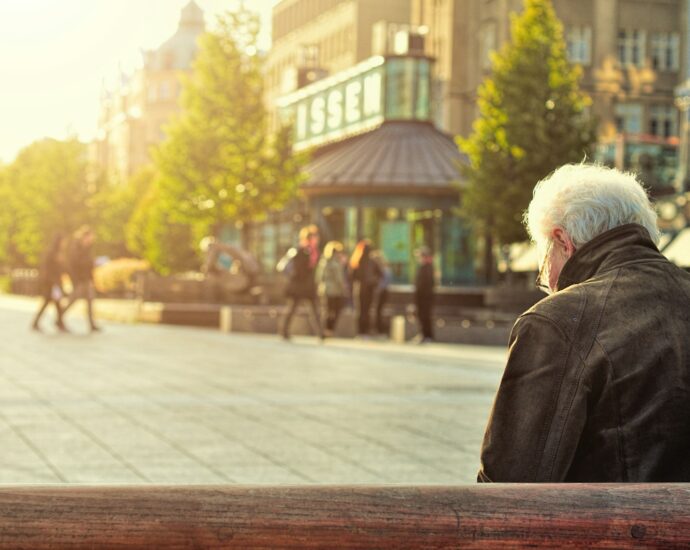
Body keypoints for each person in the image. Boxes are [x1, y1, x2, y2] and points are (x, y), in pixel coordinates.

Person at [478, 163, 690, 483]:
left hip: (613, 530)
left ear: (563, 242)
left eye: (543, 262)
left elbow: (511, 483)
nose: (546, 281)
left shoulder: (556, 322)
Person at [280, 225, 323, 340]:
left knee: (314, 309)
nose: (317, 240)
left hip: (308, 286)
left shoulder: (314, 252)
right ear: (309, 238)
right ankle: (284, 331)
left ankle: (321, 333)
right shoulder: (301, 251)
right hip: (299, 286)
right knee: (292, 308)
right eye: (315, 237)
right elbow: (299, 269)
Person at [62, 226, 101, 332]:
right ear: (84, 237)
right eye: (90, 237)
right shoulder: (76, 248)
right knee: (72, 300)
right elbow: (73, 265)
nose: (91, 239)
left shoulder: (88, 248)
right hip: (79, 280)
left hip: (86, 280)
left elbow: (89, 266)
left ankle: (92, 324)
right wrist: (75, 280)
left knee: (90, 301)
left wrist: (92, 280)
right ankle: (59, 317)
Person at [31, 233, 68, 332]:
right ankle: (58, 323)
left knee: (57, 303)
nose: (65, 244)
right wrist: (52, 281)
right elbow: (47, 269)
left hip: (55, 282)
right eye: (63, 241)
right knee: (51, 302)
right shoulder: (52, 253)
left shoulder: (59, 253)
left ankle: (59, 323)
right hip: (51, 283)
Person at [315, 241, 348, 337]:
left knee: (327, 310)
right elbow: (339, 279)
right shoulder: (336, 263)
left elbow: (318, 277)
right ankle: (329, 329)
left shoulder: (323, 261)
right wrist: (344, 288)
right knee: (335, 310)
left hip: (324, 289)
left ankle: (326, 330)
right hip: (335, 290)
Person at [349, 239, 381, 336]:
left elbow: (352, 276)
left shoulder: (357, 260)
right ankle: (364, 330)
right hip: (367, 289)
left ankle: (362, 330)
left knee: (362, 310)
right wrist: (374, 281)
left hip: (361, 289)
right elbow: (380, 274)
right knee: (366, 310)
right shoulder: (367, 261)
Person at [414, 246, 435, 343]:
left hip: (425, 297)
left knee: (425, 316)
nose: (419, 259)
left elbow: (426, 284)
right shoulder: (424, 267)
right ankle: (424, 335)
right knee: (422, 316)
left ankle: (427, 335)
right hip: (422, 296)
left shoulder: (428, 268)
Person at [371, 250, 392, 335]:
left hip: (382, 292)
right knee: (378, 310)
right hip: (382, 291)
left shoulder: (384, 269)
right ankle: (378, 328)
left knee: (379, 310)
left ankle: (380, 328)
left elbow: (385, 282)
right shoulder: (383, 269)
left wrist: (378, 289)